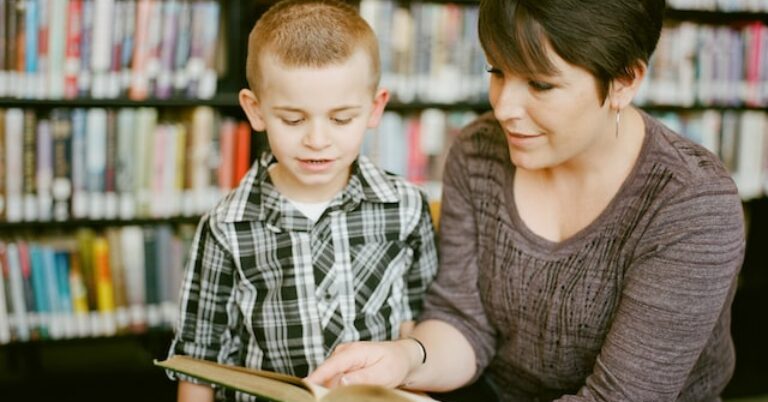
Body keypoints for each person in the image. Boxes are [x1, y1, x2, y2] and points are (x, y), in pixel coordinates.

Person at [307, 0, 746, 400]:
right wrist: (405, 358)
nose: (503, 107)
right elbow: (463, 322)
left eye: (539, 84)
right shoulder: (478, 151)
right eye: (497, 72)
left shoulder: (691, 204)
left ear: (623, 82)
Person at [166, 1, 438, 400]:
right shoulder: (226, 227)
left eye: (341, 118)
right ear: (255, 111)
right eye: (293, 119)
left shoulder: (407, 207)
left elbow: (419, 323)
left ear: (375, 108)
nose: (317, 140)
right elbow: (197, 359)